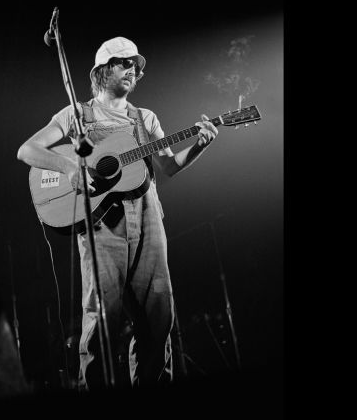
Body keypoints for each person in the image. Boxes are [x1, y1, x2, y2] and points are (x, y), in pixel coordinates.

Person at [16, 36, 218, 390]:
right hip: (100, 226)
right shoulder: (78, 114)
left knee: (159, 318)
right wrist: (67, 168)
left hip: (148, 219)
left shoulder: (146, 118)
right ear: (103, 70)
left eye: (135, 67)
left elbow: (168, 168)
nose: (132, 71)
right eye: (124, 64)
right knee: (101, 322)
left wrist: (199, 145)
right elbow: (27, 150)